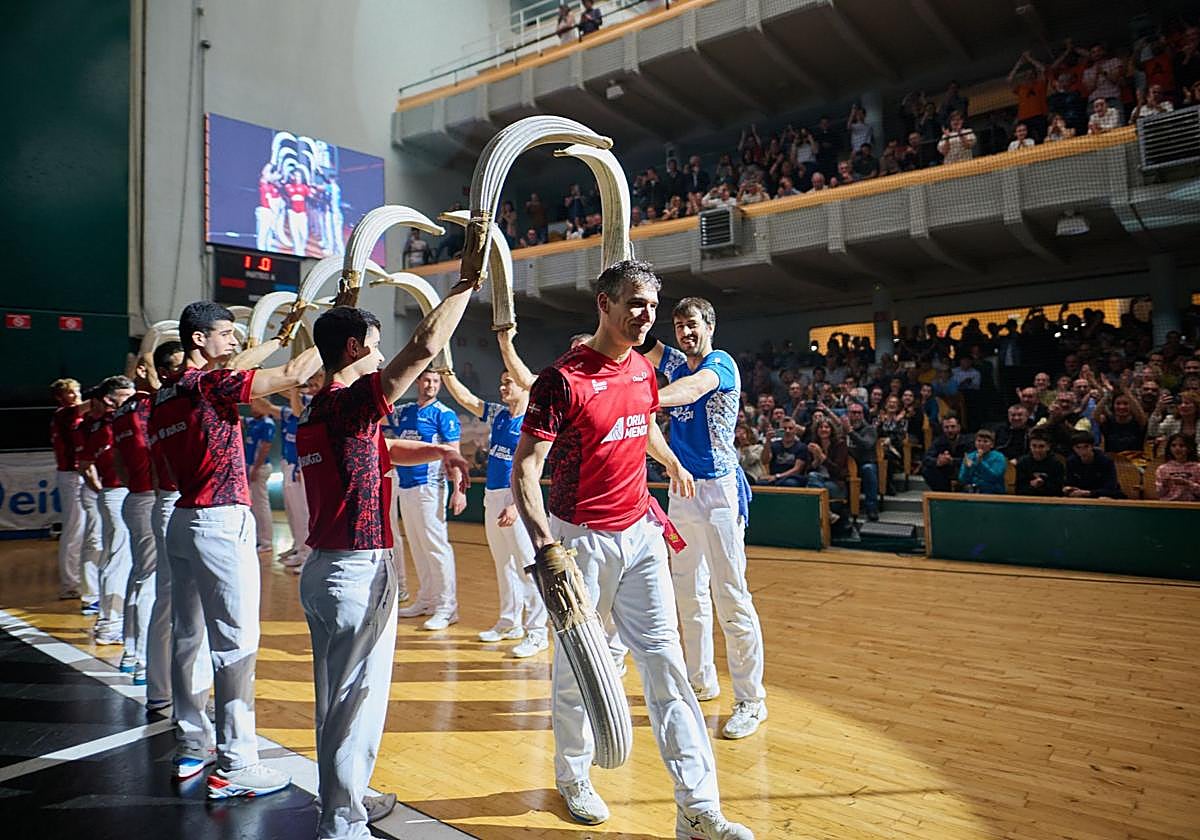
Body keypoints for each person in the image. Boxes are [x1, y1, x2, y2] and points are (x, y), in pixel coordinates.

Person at [510, 260, 752, 838]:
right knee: (577, 675)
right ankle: (572, 776)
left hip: (641, 535)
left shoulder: (644, 371)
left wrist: (667, 461)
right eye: (635, 304)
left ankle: (697, 808)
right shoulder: (560, 380)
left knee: (667, 668)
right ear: (604, 303)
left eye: (651, 305)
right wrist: (546, 548)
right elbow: (526, 467)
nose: (646, 316)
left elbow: (641, 425)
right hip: (580, 544)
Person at [297, 264, 476, 838]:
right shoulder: (349, 403)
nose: (380, 359)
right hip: (356, 570)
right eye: (373, 350)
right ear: (352, 348)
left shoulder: (318, 412)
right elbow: (424, 345)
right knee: (356, 707)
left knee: (339, 704)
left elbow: (379, 447)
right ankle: (341, 825)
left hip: (324, 571)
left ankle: (347, 799)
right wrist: (464, 287)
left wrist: (438, 452)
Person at [150, 300, 322, 796]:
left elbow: (239, 365)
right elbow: (289, 373)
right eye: (226, 333)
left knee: (189, 640)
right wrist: (319, 334)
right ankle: (238, 760)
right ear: (198, 339)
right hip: (220, 521)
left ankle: (191, 744)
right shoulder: (210, 386)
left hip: (182, 519)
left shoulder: (166, 396)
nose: (235, 341)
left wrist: (274, 335)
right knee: (237, 644)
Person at [642, 297, 768, 739]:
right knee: (688, 593)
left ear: (709, 325)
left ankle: (752, 700)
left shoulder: (721, 363)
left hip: (718, 493)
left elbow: (694, 390)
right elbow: (643, 342)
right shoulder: (675, 360)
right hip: (682, 492)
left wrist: (641, 401)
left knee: (730, 595)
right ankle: (701, 679)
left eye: (691, 324)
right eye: (679, 326)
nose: (685, 332)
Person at [440, 363, 549, 658]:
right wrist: (447, 373)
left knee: (529, 565)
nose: (503, 387)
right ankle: (509, 621)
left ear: (525, 386)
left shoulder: (533, 421)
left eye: (509, 382)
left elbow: (535, 469)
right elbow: (466, 399)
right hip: (492, 495)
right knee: (503, 563)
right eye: (502, 381)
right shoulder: (498, 414)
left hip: (519, 498)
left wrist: (517, 504)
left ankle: (538, 632)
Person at [143, 341, 209, 714]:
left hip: (169, 501)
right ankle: (177, 698)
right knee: (178, 607)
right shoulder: (174, 400)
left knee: (171, 604)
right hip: (176, 501)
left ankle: (163, 691)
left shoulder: (157, 405)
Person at [389, 370, 466, 630]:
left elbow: (454, 454)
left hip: (430, 488)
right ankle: (426, 599)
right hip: (405, 486)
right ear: (418, 382)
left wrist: (459, 490)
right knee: (418, 547)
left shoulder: (444, 414)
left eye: (436, 381)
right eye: (427, 380)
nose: (431, 385)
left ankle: (447, 607)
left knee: (436, 547)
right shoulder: (404, 411)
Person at [78, 375, 136, 646]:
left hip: (119, 494)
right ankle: (110, 623)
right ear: (110, 399)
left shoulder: (109, 422)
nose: (133, 397)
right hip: (117, 494)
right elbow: (85, 463)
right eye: (126, 394)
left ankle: (113, 620)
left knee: (119, 557)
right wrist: (102, 488)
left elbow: (86, 461)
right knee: (118, 558)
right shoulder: (108, 425)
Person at [110, 365, 160, 683]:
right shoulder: (146, 406)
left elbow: (118, 461)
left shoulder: (120, 415)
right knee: (149, 580)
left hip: (135, 497)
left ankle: (131, 652)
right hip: (148, 499)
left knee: (138, 575)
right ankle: (141, 658)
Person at [50, 378, 87, 601]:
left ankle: (79, 580)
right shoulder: (64, 413)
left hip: (79, 475)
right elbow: (95, 403)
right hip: (71, 476)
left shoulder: (73, 414)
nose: (76, 396)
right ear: (59, 398)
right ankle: (69, 584)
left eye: (77, 391)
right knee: (73, 530)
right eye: (71, 393)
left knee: (85, 531)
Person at [244, 399, 277, 556]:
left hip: (260, 468)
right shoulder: (253, 422)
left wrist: (256, 469)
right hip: (251, 467)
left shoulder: (268, 423)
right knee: (255, 506)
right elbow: (238, 419)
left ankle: (266, 542)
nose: (252, 408)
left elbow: (265, 447)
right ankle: (258, 538)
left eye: (255, 405)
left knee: (261, 506)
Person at [844, 402, 880, 520]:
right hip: (846, 465)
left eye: (859, 413)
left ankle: (872, 508)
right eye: (853, 413)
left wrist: (850, 432)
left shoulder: (870, 429)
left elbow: (866, 444)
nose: (857, 415)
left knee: (868, 469)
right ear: (848, 414)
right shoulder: (841, 429)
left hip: (864, 463)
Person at [1063, 431, 1123, 499]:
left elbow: (1110, 488)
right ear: (1073, 448)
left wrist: (1089, 493)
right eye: (1078, 447)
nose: (1082, 451)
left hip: (1105, 496)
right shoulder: (1071, 462)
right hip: (1081, 496)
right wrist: (1069, 489)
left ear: (1092, 446)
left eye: (1086, 447)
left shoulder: (1105, 461)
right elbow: (1069, 482)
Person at [921, 413, 969, 492]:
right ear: (943, 429)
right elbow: (926, 458)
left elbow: (972, 459)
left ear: (959, 427)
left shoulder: (968, 440)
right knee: (926, 469)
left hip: (961, 470)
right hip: (945, 472)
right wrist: (938, 461)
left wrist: (952, 460)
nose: (950, 430)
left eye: (953, 427)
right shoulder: (938, 441)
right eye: (946, 427)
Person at [1015, 429, 1064, 496]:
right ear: (1030, 446)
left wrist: (1042, 484)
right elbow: (1019, 489)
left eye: (1041, 446)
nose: (1037, 450)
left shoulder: (1056, 464)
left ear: (1048, 447)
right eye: (1034, 446)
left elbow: (1058, 489)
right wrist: (1032, 485)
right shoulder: (1023, 462)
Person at [957, 429, 1007, 494]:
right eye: (979, 441)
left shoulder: (999, 457)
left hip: (993, 492)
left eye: (985, 441)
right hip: (972, 491)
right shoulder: (969, 456)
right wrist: (967, 468)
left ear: (992, 445)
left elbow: (995, 477)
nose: (981, 444)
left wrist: (980, 463)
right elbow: (962, 480)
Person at [761, 416, 807, 486]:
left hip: (793, 478)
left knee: (788, 483)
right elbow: (764, 461)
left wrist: (777, 476)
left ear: (795, 431)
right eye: (784, 429)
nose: (787, 431)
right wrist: (767, 442)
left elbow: (797, 469)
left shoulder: (801, 447)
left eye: (790, 428)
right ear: (779, 431)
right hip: (774, 477)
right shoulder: (774, 445)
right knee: (760, 483)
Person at [1155, 433, 1200, 501]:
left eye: (1182, 446)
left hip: (1192, 505)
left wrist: (1188, 484)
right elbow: (1159, 494)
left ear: (1190, 448)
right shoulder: (1163, 469)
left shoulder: (1197, 468)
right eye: (1173, 445)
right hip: (1168, 505)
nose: (1177, 448)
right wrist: (1164, 484)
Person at [283, 170, 312, 257]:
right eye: (295, 176)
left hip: (302, 214)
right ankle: (297, 252)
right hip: (292, 213)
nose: (297, 178)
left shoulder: (304, 188)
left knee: (304, 234)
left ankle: (301, 249)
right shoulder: (288, 187)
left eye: (299, 176)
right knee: (294, 233)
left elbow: (311, 197)